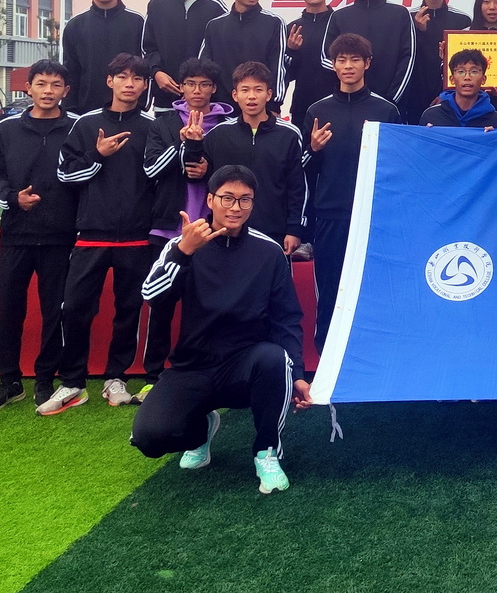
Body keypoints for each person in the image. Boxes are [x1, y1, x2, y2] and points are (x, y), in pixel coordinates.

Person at [133, 166, 311, 495]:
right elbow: (152, 296)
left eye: (245, 200)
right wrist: (183, 253)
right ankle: (201, 430)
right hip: (193, 365)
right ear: (210, 200)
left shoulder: (269, 251)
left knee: (275, 359)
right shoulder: (183, 244)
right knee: (149, 438)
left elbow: (286, 318)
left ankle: (266, 451)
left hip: (246, 363)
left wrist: (298, 373)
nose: (235, 207)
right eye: (227, 198)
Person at [44, 54, 158, 415]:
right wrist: (97, 154)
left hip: (138, 236)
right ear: (109, 81)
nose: (129, 84)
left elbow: (160, 178)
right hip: (91, 234)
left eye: (137, 78)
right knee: (76, 308)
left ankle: (116, 378)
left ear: (145, 85)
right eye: (122, 76)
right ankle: (73, 382)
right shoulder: (86, 124)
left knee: (128, 310)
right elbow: (65, 175)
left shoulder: (154, 126)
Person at [0, 59, 78, 412]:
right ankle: (9, 381)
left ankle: (45, 378)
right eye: (41, 83)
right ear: (29, 87)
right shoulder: (6, 128)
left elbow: (86, 173)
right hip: (16, 235)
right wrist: (12, 199)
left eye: (56, 85)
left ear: (66, 90)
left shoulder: (77, 127)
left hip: (60, 236)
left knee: (55, 311)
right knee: (7, 309)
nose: (48, 91)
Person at [303, 33, 401, 357]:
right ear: (333, 65)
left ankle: (372, 356)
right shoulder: (317, 110)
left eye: (355, 60)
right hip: (330, 214)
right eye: (341, 60)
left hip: (373, 217)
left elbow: (397, 167)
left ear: (367, 64)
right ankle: (326, 357)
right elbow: (304, 169)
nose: (348, 66)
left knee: (372, 287)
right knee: (330, 288)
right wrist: (313, 149)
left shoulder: (386, 110)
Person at [142, 56, 234, 393]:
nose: (198, 90)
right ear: (181, 87)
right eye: (191, 84)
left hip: (212, 228)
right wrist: (185, 146)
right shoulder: (163, 122)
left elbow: (233, 173)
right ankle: (153, 375)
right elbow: (151, 169)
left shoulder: (227, 126)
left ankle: (201, 368)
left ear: (214, 88)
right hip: (169, 225)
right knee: (162, 301)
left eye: (204, 84)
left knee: (206, 302)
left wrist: (208, 171)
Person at [199, 62, 307, 252]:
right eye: (245, 90)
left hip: (274, 230)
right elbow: (201, 178)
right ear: (235, 95)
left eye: (258, 89)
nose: (251, 96)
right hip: (226, 231)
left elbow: (297, 186)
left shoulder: (289, 134)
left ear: (269, 94)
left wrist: (294, 229)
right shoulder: (219, 134)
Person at [325, 0, 417, 118]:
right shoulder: (340, 16)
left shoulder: (400, 14)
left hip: (390, 106)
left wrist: (391, 101)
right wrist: (344, 95)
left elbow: (408, 59)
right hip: (347, 105)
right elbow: (327, 58)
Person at [142, 0, 227, 110]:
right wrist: (157, 73)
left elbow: (222, 52)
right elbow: (148, 48)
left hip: (205, 104)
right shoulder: (157, 6)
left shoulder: (216, 8)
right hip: (166, 99)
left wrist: (202, 85)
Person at [62, 0, 146, 115]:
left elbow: (145, 68)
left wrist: (141, 107)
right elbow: (70, 71)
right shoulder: (75, 25)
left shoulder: (137, 22)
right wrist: (70, 110)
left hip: (130, 112)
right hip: (85, 112)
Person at [199, 0, 286, 111]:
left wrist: (273, 106)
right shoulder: (215, 25)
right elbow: (204, 67)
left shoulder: (274, 23)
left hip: (260, 110)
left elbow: (278, 68)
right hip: (222, 109)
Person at [403, 0, 472, 118]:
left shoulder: (462, 20)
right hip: (413, 96)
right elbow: (405, 58)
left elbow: (466, 63)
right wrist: (418, 31)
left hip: (452, 98)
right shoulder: (407, 17)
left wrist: (448, 92)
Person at [285, 0, 338, 133]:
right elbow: (286, 74)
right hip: (302, 105)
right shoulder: (292, 28)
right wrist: (291, 50)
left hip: (337, 103)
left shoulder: (339, 22)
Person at [420, 49, 497, 129]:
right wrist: (428, 134)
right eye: (461, 72)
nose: (467, 77)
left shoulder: (496, 120)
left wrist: (493, 137)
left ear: (483, 79)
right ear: (452, 79)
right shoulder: (431, 116)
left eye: (474, 72)